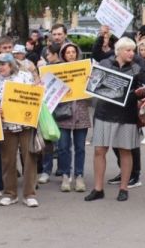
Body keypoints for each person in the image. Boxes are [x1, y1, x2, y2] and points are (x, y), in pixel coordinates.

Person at [86, 37, 145, 202]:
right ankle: (98, 189)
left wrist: (141, 92)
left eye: (133, 50)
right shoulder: (105, 64)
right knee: (99, 150)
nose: (131, 53)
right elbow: (93, 83)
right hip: (104, 112)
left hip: (126, 115)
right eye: (128, 50)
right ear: (119, 51)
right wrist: (91, 81)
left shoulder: (137, 68)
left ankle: (124, 188)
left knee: (125, 150)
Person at [0, 53, 38, 207]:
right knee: (8, 160)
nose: (0, 67)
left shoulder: (25, 76)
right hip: (6, 125)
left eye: (2, 64)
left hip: (25, 124)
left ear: (11, 65)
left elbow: (33, 96)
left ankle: (29, 194)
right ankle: (10, 193)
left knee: (29, 159)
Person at [52, 42, 90, 193]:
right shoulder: (58, 71)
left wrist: (89, 80)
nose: (71, 55)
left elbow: (91, 94)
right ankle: (66, 175)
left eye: (73, 52)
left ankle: (79, 176)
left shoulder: (84, 69)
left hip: (81, 113)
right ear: (63, 55)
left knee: (80, 148)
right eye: (68, 52)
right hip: (64, 114)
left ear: (77, 53)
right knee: (63, 148)